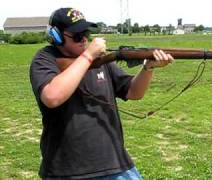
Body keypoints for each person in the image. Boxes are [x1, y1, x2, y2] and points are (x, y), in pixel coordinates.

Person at [29, 7, 174, 179]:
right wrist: (88, 56)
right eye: (77, 36)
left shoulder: (100, 61)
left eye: (86, 33)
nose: (84, 39)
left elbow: (134, 92)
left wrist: (148, 68)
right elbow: (52, 97)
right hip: (67, 170)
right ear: (57, 36)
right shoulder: (46, 59)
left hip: (114, 163)